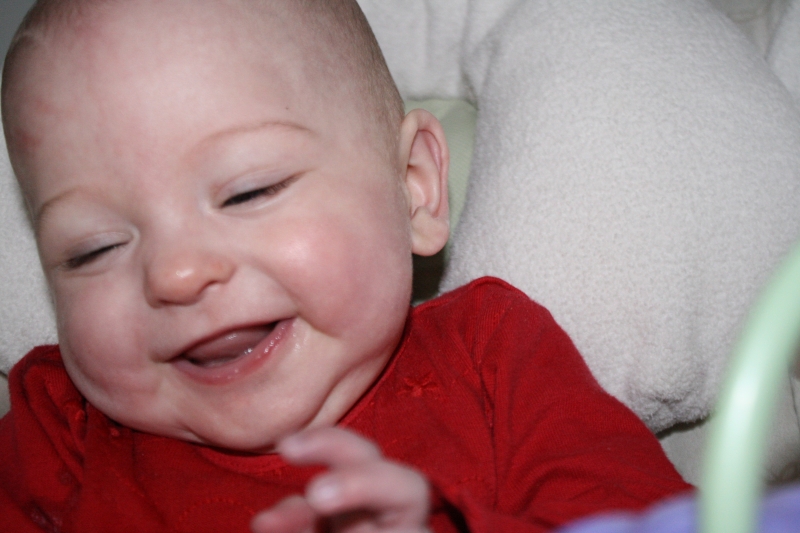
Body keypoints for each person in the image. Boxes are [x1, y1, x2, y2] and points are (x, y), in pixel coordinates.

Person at [0, 0, 691, 531]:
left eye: (249, 190)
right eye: (92, 248)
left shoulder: (493, 358)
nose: (175, 274)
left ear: (414, 186)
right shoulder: (62, 428)